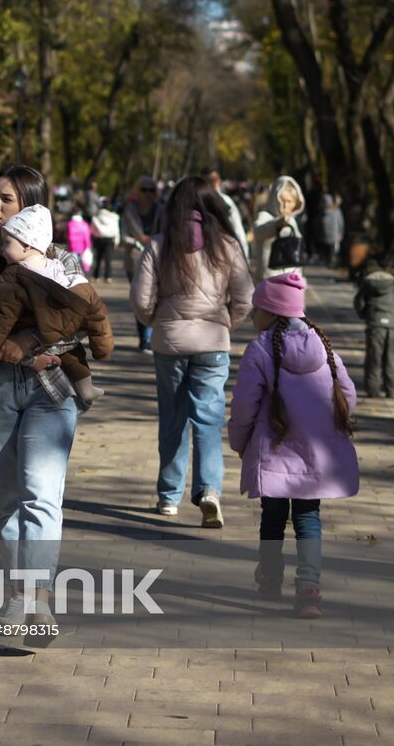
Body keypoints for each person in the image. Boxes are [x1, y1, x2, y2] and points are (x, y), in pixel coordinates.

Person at [0, 166, 85, 647]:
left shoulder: (64, 261)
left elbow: (79, 319)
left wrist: (26, 338)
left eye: (7, 198)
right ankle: (17, 593)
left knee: (41, 493)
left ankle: (39, 598)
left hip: (51, 389)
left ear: (31, 204)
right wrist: (31, 341)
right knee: (6, 498)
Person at [228, 272, 358, 618]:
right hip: (315, 456)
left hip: (274, 452)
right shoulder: (322, 344)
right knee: (308, 518)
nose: (252, 316)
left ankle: (270, 577)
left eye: (256, 309)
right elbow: (348, 393)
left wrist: (239, 441)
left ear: (271, 312)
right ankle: (308, 588)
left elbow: (244, 405)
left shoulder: (259, 350)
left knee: (272, 517)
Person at [130, 176, 253, 527]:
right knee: (209, 420)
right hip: (212, 342)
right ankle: (210, 490)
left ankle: (169, 498)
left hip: (169, 342)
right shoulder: (227, 245)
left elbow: (140, 299)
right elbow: (246, 297)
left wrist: (159, 320)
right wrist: (226, 321)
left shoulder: (159, 244)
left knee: (173, 419)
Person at [0, 204, 114, 406]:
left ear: (27, 245)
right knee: (74, 354)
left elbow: (2, 316)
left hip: (19, 330)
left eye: (7, 243)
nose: (2, 249)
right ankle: (85, 387)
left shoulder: (13, 274)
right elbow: (91, 306)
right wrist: (102, 347)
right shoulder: (57, 267)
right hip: (57, 329)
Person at [122, 175, 161, 353]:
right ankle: (143, 338)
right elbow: (122, 237)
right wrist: (137, 240)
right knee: (140, 298)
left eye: (151, 189)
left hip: (157, 260)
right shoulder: (129, 211)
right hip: (134, 259)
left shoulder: (161, 211)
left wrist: (152, 240)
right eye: (144, 189)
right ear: (137, 191)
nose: (147, 193)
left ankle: (148, 338)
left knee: (152, 298)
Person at [354, 260, 394, 398]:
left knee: (373, 358)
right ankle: (393, 391)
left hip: (375, 324)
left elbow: (359, 302)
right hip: (393, 326)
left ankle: (373, 390)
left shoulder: (367, 285)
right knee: (392, 358)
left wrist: (365, 315)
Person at [252, 175, 306, 282]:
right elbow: (259, 231)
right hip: (268, 282)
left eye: (289, 201)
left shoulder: (292, 222)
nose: (284, 205)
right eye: (281, 200)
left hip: (290, 283)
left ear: (296, 203)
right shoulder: (264, 216)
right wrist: (275, 225)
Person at [202, 167, 249, 259]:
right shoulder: (197, 204)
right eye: (209, 180)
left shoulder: (226, 202)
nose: (212, 183)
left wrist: (244, 257)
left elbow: (237, 229)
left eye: (214, 180)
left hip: (225, 255)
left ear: (219, 181)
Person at [90, 198, 120, 282]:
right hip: (109, 239)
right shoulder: (114, 217)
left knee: (98, 258)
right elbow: (116, 230)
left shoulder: (96, 217)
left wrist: (94, 237)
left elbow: (92, 229)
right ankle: (108, 277)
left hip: (99, 238)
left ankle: (96, 276)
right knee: (108, 258)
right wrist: (117, 241)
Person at [319, 194, 344, 268]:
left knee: (330, 249)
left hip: (330, 234)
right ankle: (329, 261)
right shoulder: (336, 211)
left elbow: (340, 223)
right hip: (331, 234)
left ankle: (329, 261)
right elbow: (341, 223)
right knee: (330, 249)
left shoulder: (325, 212)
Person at [66, 208, 93, 274]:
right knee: (83, 264)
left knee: (74, 265)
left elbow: (67, 236)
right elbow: (87, 237)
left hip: (72, 247)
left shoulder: (70, 224)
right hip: (83, 248)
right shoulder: (84, 224)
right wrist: (88, 246)